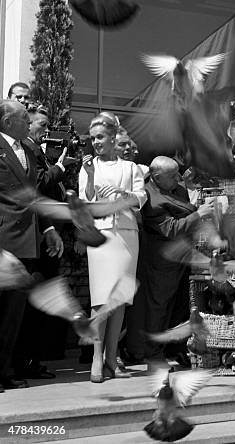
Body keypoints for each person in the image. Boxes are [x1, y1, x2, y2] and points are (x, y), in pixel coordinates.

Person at [0, 100, 63, 393]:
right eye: (24, 118)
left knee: (13, 315)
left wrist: (48, 229)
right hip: (4, 241)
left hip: (26, 243)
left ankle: (5, 370)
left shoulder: (27, 151)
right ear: (7, 121)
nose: (29, 123)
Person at [79, 114, 146, 382]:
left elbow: (141, 197)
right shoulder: (87, 168)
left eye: (100, 137)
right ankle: (96, 357)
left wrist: (123, 195)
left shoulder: (130, 167)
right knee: (100, 300)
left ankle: (111, 358)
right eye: (92, 138)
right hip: (101, 236)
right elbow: (87, 201)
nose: (95, 142)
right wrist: (93, 176)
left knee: (119, 300)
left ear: (112, 137)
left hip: (127, 235)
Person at [137, 157, 214, 363]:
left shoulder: (178, 189)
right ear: (156, 177)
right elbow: (170, 228)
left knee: (182, 305)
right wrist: (199, 215)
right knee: (158, 307)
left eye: (178, 173)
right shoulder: (149, 197)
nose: (179, 178)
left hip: (183, 258)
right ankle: (153, 353)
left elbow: (186, 213)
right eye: (173, 176)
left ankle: (177, 349)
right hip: (161, 261)